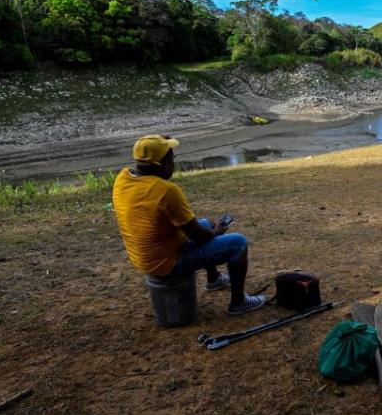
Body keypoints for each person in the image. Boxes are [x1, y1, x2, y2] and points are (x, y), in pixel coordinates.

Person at [111, 134, 266, 315]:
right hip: (166, 263)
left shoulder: (123, 177)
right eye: (171, 159)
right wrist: (217, 231)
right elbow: (199, 236)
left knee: (205, 222)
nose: (173, 163)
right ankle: (239, 302)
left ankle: (214, 279)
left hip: (144, 256)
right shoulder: (166, 191)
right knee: (238, 242)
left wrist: (160, 141)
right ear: (161, 164)